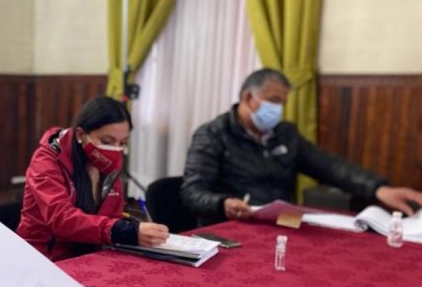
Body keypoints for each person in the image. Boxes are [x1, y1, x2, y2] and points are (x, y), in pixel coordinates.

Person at [181, 68, 422, 224]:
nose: (278, 109)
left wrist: (378, 188)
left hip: (283, 222)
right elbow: (192, 192)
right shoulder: (212, 134)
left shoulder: (286, 134)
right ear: (247, 97)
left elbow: (329, 166)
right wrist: (223, 203)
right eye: (273, 101)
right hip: (232, 226)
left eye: (282, 103)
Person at [18, 96, 170, 260]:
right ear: (80, 134)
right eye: (107, 141)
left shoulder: (110, 162)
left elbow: (113, 215)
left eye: (122, 143)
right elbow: (61, 219)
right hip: (45, 259)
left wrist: (135, 229)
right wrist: (124, 231)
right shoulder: (46, 160)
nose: (115, 149)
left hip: (91, 255)